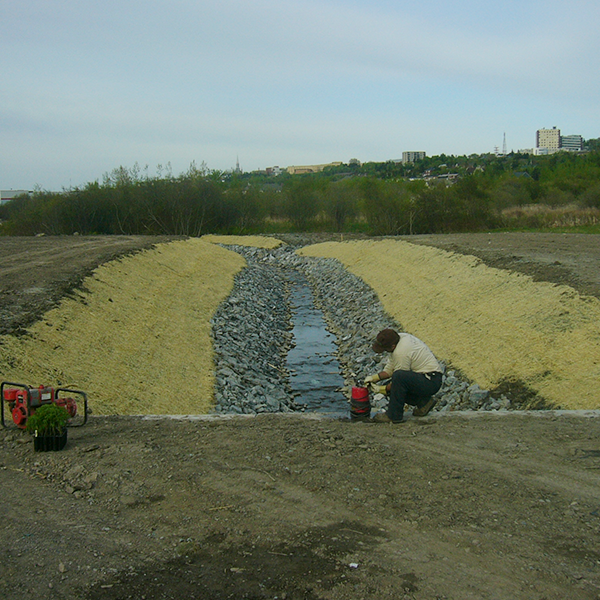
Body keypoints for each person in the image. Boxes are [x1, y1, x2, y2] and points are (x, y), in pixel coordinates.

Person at [364, 328, 443, 423]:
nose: (385, 351)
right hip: (425, 378)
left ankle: (394, 416)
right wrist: (374, 378)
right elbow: (390, 369)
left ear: (392, 346)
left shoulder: (401, 352)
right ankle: (424, 402)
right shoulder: (398, 339)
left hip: (430, 380)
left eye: (385, 349)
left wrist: (380, 389)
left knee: (397, 380)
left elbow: (399, 380)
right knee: (391, 383)